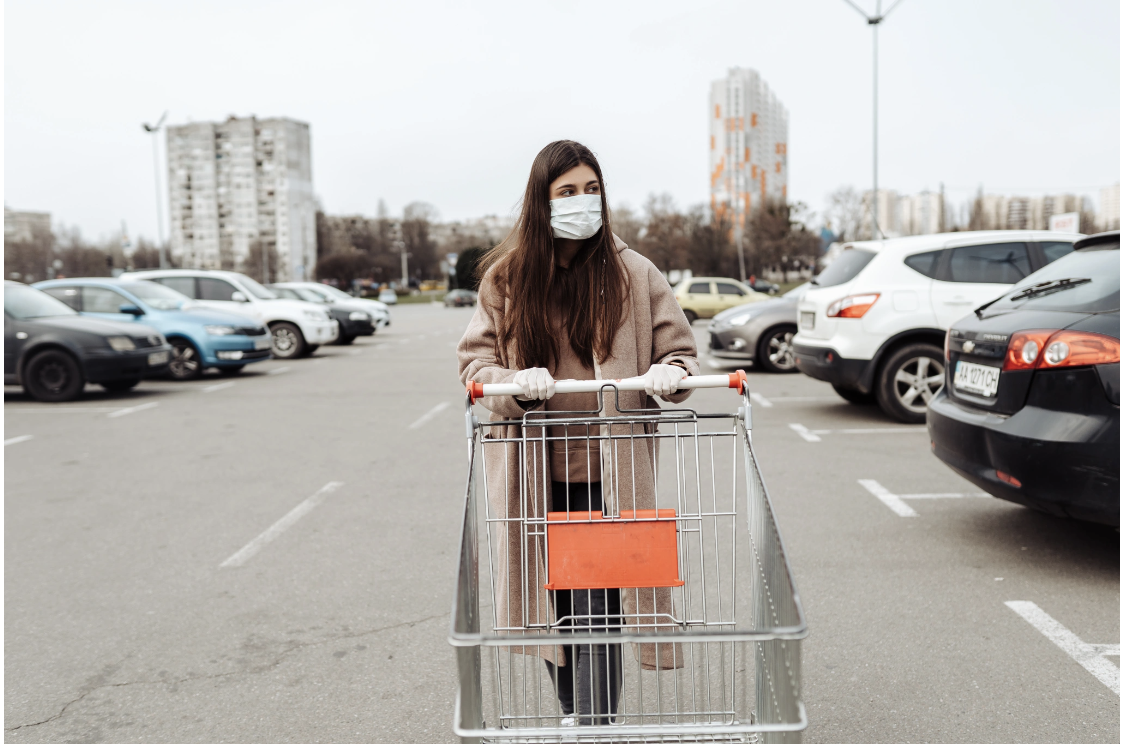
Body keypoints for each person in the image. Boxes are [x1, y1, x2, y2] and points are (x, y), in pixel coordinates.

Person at [457, 140, 699, 727]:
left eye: (592, 190)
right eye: (567, 192)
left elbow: (680, 352)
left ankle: (594, 724)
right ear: (541, 204)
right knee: (552, 608)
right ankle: (579, 715)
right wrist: (513, 381)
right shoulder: (507, 280)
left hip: (611, 477)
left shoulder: (634, 274)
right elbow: (474, 366)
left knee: (596, 609)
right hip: (532, 477)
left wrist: (673, 373)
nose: (582, 202)